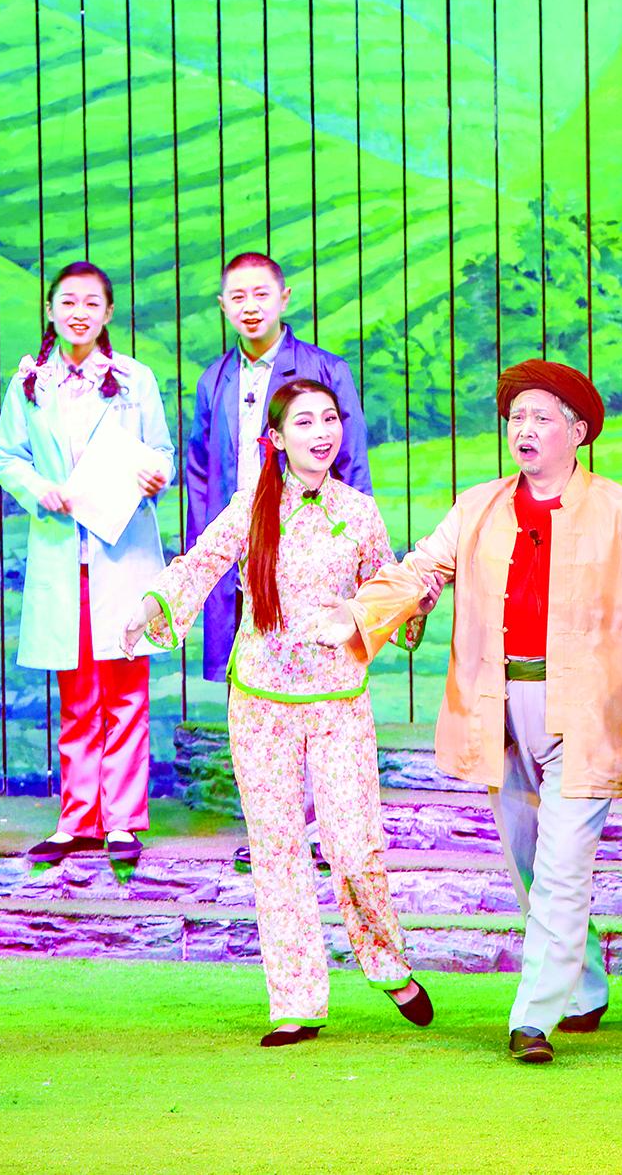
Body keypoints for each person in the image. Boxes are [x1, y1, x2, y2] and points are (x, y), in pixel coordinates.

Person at [320, 361, 622, 1065]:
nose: (524, 430)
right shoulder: (479, 507)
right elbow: (421, 568)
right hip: (499, 706)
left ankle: (532, 1017)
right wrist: (359, 613)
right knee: (529, 862)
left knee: (561, 866)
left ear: (578, 432)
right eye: (516, 417)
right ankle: (582, 988)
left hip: (586, 709)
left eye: (541, 418)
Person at [126, 379, 434, 1045]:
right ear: (276, 438)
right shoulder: (252, 506)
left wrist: (415, 603)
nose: (321, 432)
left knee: (354, 846)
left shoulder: (360, 512)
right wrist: (150, 607)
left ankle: (386, 962)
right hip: (261, 702)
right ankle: (296, 1000)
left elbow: (387, 593)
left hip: (338, 701)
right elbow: (198, 565)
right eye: (304, 422)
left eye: (330, 419)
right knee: (278, 850)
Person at [0, 262, 174, 861]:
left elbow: (162, 454)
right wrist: (38, 488)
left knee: (125, 684)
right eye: (67, 301)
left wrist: (156, 475)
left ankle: (122, 819)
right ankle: (77, 818)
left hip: (121, 549)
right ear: (50, 310)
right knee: (76, 691)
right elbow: (7, 458)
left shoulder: (134, 379)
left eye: (91, 303)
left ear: (108, 313)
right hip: (62, 551)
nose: (79, 313)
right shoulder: (31, 383)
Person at [185, 251, 372, 682]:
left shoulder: (325, 369)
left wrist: (354, 549)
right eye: (238, 297)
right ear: (223, 305)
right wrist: (203, 558)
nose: (250, 307)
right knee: (243, 675)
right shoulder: (213, 379)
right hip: (239, 550)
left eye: (261, 294)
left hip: (309, 550)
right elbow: (199, 474)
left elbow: (353, 466)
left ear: (284, 298)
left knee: (317, 670)